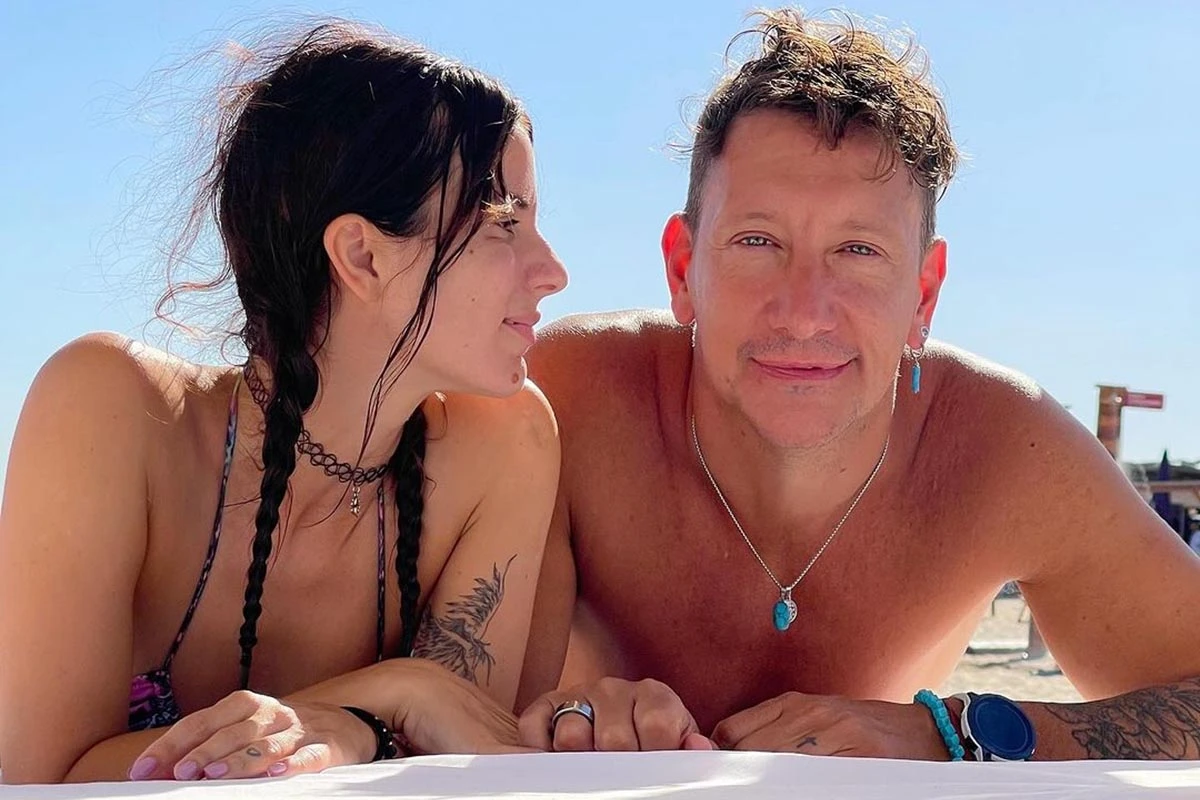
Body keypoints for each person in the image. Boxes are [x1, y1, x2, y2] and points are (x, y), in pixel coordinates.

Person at [515, 8, 1200, 762]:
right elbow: (432, 687)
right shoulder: (563, 399)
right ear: (683, 270)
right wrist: (563, 715)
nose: (804, 313)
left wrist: (956, 731)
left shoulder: (1003, 449)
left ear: (924, 295)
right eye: (757, 241)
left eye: (859, 251)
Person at [0, 19, 567, 785]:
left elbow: (465, 762)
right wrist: (394, 693)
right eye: (505, 223)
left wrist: (362, 720)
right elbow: (41, 781)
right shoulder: (115, 412)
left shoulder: (503, 446)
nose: (553, 270)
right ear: (363, 256)